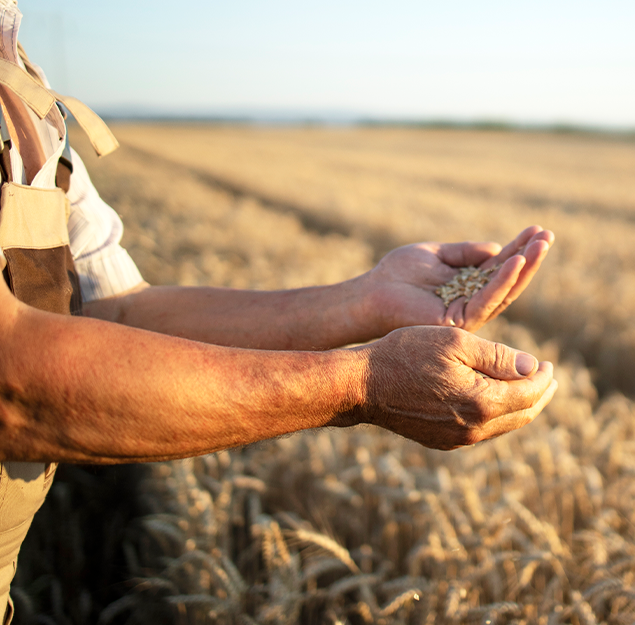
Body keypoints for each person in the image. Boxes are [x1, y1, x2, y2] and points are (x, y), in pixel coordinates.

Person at [0, 2, 556, 619]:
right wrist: (364, 383)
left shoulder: (20, 77)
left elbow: (113, 312)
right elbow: (12, 378)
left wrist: (363, 300)